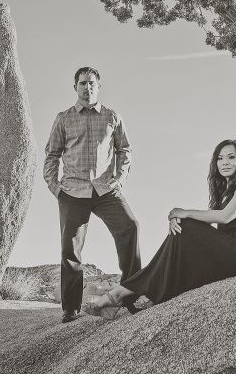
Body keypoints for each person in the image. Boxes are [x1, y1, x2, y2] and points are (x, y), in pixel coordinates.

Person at [83, 139, 236, 319]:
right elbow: (206, 222)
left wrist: (184, 213)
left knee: (186, 225)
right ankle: (139, 294)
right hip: (227, 253)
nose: (225, 162)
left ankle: (119, 294)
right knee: (183, 234)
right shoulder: (224, 192)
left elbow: (224, 216)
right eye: (220, 158)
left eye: (231, 157)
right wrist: (176, 220)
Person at [44, 67, 141, 323]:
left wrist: (119, 178)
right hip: (73, 190)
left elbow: (125, 149)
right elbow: (52, 155)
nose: (88, 87)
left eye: (92, 83)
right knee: (71, 249)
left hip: (106, 189)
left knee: (130, 227)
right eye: (83, 83)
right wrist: (56, 188)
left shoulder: (112, 116)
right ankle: (71, 307)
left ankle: (131, 295)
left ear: (99, 86)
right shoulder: (63, 119)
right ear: (75, 87)